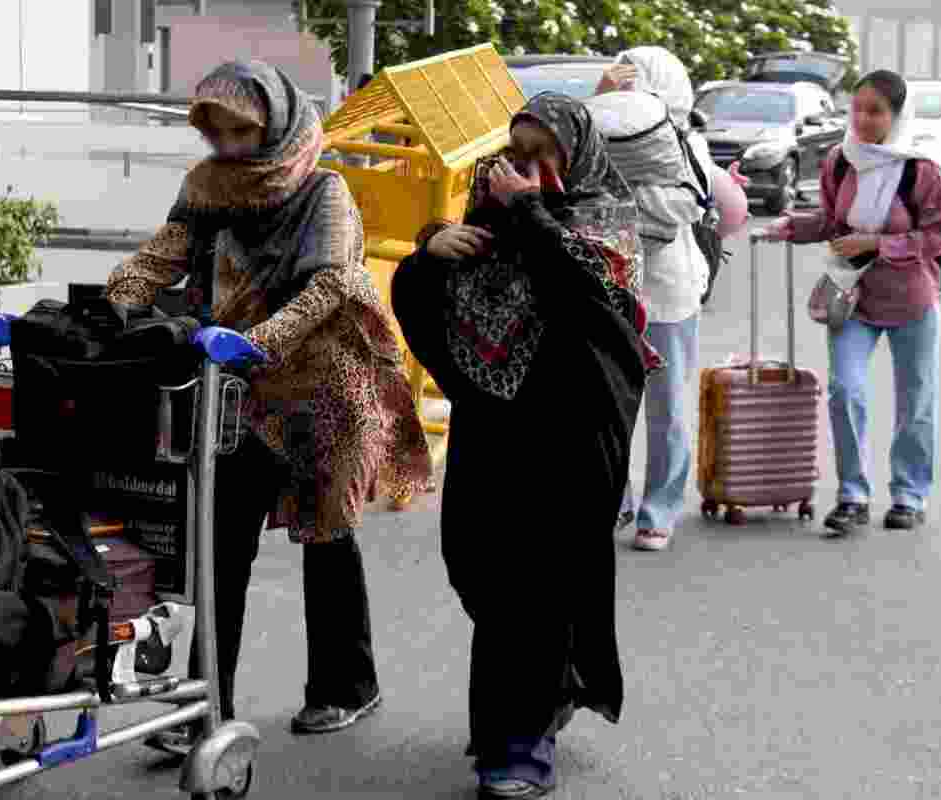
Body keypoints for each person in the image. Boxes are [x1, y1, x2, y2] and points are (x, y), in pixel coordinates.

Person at [105, 60, 433, 735]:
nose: (228, 146)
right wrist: (116, 301)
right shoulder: (208, 188)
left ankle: (348, 683)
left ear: (276, 124)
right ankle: (201, 704)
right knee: (216, 543)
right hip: (236, 389)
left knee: (326, 535)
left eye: (241, 131)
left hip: (324, 383)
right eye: (216, 132)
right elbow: (163, 254)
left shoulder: (323, 191)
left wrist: (258, 338)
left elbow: (331, 285)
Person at [391, 93, 660, 799]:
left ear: (576, 156)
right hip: (493, 429)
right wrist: (428, 249)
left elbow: (586, 300)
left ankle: (518, 745)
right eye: (519, 152)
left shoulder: (605, 223)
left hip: (571, 434)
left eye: (546, 154)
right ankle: (552, 683)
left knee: (534, 592)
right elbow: (425, 303)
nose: (529, 169)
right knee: (476, 568)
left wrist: (530, 213)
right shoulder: (493, 223)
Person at [757, 69, 941, 537]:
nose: (863, 119)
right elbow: (830, 221)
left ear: (897, 115)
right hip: (852, 297)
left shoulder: (921, 169)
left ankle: (908, 495)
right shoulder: (840, 161)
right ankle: (853, 495)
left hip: (912, 301)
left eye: (875, 111)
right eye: (857, 108)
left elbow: (936, 237)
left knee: (915, 402)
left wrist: (876, 245)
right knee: (845, 390)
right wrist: (789, 227)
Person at [588, 47, 751, 551]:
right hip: (610, 287)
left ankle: (659, 511)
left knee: (666, 407)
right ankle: (613, 504)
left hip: (668, 291)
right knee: (603, 405)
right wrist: (599, 101)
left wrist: (624, 201)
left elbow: (690, 202)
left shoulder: (687, 144)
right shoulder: (596, 133)